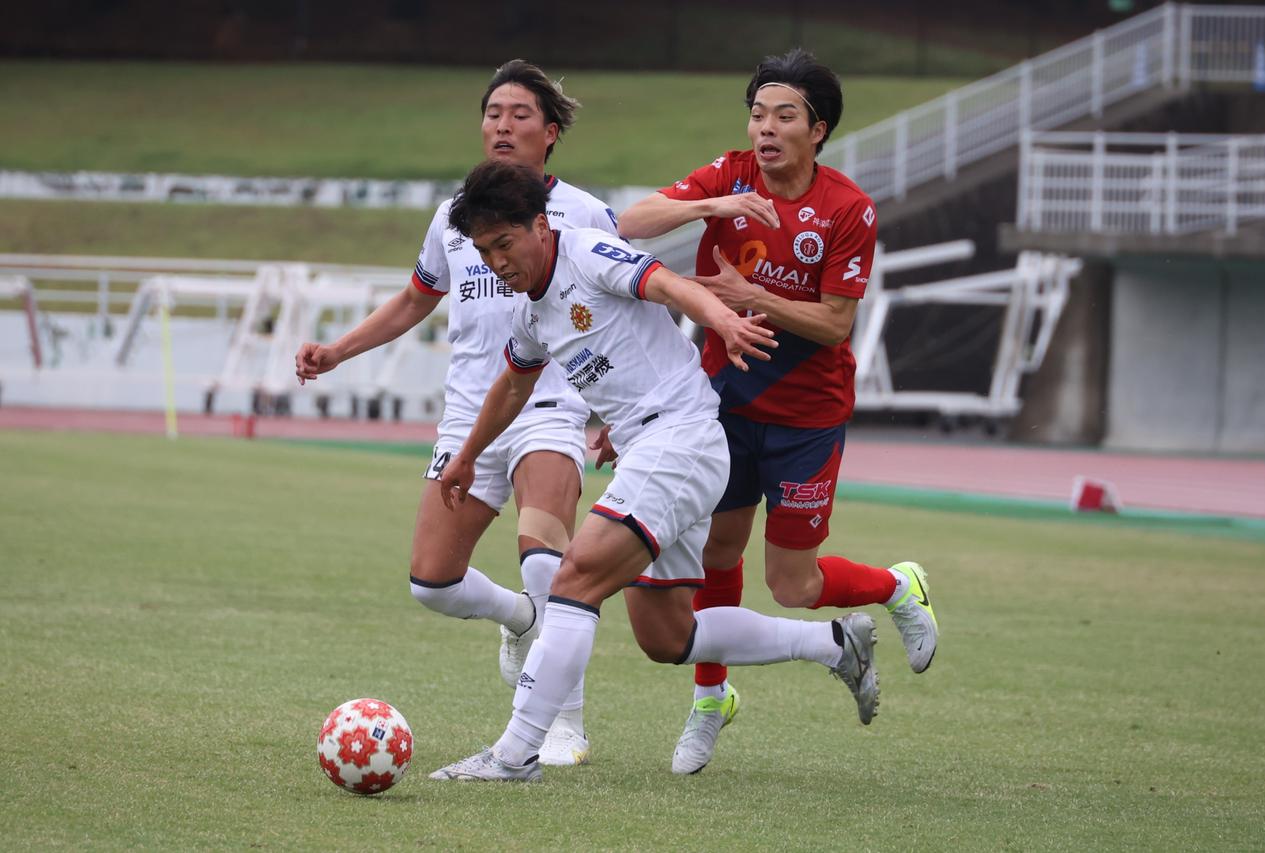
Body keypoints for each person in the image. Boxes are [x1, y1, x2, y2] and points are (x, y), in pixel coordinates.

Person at [426, 159, 881, 783]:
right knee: (668, 636)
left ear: (539, 225)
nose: (499, 261)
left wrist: (723, 319)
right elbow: (511, 385)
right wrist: (469, 455)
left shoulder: (586, 253)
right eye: (485, 251)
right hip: (654, 448)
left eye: (505, 244)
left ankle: (515, 753)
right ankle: (835, 645)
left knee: (575, 576)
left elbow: (666, 284)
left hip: (683, 439)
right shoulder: (531, 313)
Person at [616, 49, 939, 775]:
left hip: (806, 416)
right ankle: (710, 699)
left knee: (793, 585)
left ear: (817, 129)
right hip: (722, 405)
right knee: (715, 556)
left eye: (783, 115)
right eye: (757, 112)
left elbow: (832, 324)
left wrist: (749, 295)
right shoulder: (728, 175)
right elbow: (632, 221)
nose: (765, 127)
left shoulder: (848, 209)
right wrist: (710, 206)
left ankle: (897, 586)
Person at [294, 60, 614, 766]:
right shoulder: (453, 217)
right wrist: (338, 351)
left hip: (549, 406)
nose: (502, 123)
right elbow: (415, 299)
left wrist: (620, 408)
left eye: (519, 113)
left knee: (547, 559)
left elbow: (630, 307)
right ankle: (522, 621)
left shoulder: (585, 214)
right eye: (492, 111)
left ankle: (563, 723)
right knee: (431, 582)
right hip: (470, 418)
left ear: (550, 132)